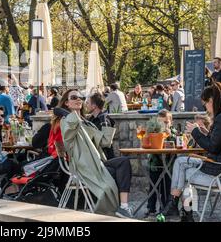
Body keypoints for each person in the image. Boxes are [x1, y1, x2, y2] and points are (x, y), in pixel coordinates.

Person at [162, 82, 221, 222]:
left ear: (212, 101)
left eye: (205, 104)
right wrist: (204, 132)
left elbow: (212, 148)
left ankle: (177, 205)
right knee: (181, 163)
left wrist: (195, 131)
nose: (206, 108)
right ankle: (184, 212)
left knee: (182, 168)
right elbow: (219, 143)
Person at [55, 89, 133, 217]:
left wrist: (106, 119)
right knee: (116, 173)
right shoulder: (66, 121)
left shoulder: (85, 122)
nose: (79, 99)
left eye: (81, 96)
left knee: (123, 162)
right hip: (84, 167)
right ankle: (113, 210)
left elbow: (104, 142)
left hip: (96, 163)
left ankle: (124, 207)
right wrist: (64, 112)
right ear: (66, 103)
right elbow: (69, 132)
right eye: (74, 97)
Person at [145, 110, 177, 218]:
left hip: (169, 164)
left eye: (166, 123)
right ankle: (151, 208)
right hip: (155, 164)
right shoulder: (154, 132)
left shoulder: (173, 132)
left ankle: (164, 208)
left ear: (171, 122)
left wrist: (168, 134)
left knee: (166, 187)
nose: (163, 125)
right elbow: (147, 143)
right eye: (160, 123)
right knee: (153, 186)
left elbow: (176, 143)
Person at [86, 92, 115, 159]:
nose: (86, 105)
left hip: (105, 159)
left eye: (87, 103)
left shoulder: (104, 120)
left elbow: (106, 143)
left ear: (94, 106)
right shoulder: (91, 119)